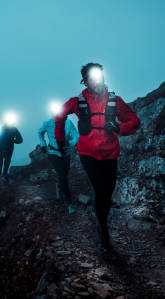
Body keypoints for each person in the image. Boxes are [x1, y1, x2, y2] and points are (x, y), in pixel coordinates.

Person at [54, 63, 140, 251]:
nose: (96, 80)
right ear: (84, 82)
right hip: (88, 154)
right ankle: (103, 230)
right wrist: (60, 139)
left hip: (110, 154)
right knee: (100, 190)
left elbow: (134, 122)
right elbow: (59, 115)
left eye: (98, 75)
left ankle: (101, 217)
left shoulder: (115, 100)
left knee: (107, 194)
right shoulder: (76, 102)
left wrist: (119, 128)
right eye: (91, 77)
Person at [38, 107, 79, 214]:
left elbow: (76, 136)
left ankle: (59, 185)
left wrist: (70, 144)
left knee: (64, 174)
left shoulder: (69, 123)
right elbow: (39, 132)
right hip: (53, 153)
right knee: (63, 176)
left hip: (66, 153)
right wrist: (43, 144)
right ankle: (70, 204)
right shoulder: (48, 123)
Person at [0, 114, 23, 179]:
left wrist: (13, 141)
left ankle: (3, 175)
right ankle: (1, 175)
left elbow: (20, 140)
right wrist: (13, 140)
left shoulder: (13, 129)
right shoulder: (3, 128)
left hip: (6, 148)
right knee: (2, 161)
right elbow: (20, 140)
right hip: (2, 148)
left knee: (5, 161)